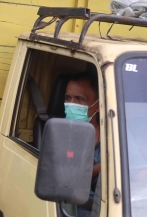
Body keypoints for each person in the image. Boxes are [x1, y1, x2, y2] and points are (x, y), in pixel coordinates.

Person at [64, 71, 100, 216]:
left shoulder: (114, 133)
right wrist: (98, 169)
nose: (71, 104)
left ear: (98, 105)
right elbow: (68, 180)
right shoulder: (61, 134)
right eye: (68, 98)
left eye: (79, 99)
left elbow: (138, 172)